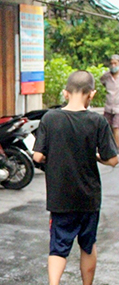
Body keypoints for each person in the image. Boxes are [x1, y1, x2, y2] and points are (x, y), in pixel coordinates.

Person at [33, 70, 118, 285]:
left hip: (60, 197)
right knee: (88, 245)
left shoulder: (50, 118)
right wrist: (97, 157)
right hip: (88, 198)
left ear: (65, 93)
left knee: (58, 247)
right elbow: (113, 159)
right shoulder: (97, 121)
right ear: (92, 94)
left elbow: (38, 155)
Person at [100, 54, 119, 148]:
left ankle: (116, 148)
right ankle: (108, 146)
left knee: (116, 127)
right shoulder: (106, 76)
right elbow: (102, 81)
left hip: (118, 107)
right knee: (107, 127)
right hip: (109, 106)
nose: (113, 66)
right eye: (111, 63)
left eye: (115, 63)